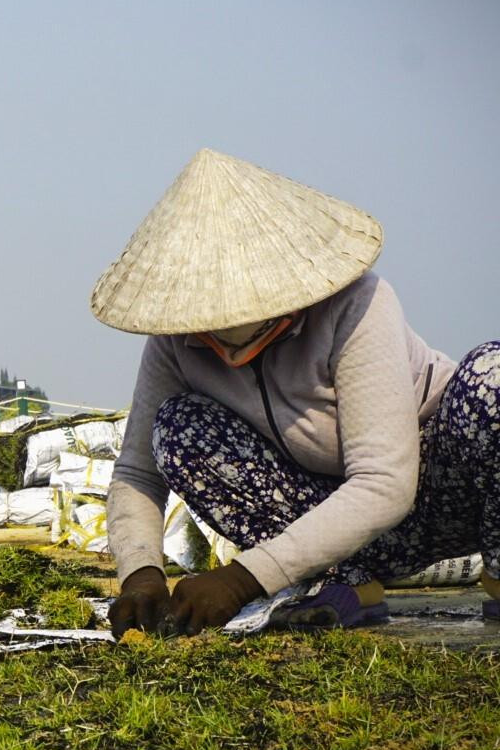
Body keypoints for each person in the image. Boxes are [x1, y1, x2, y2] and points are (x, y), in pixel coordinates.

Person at [94, 150, 498, 637]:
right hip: (323, 531)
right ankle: (342, 585)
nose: (221, 336)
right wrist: (140, 573)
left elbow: (385, 483)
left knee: (492, 377)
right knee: (179, 429)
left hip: (439, 496)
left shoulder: (356, 305)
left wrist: (244, 579)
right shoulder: (175, 343)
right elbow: (138, 471)